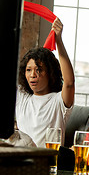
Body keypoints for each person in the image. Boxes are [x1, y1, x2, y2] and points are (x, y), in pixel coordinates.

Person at [15, 17, 75, 147]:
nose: (32, 75)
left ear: (51, 73)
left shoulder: (58, 101)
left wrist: (58, 40)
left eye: (39, 70)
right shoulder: (22, 97)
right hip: (19, 161)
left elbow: (69, 82)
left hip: (48, 162)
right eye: (28, 70)